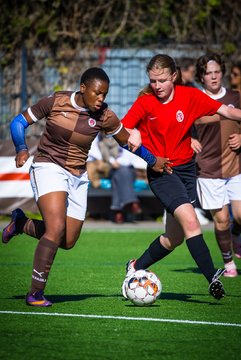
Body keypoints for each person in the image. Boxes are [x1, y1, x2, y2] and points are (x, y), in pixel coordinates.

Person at [2, 67, 171, 307]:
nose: (101, 99)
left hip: (78, 176)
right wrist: (20, 148)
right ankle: (35, 293)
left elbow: (125, 143)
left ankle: (21, 223)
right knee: (56, 228)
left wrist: (153, 160)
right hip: (48, 166)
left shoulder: (105, 116)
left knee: (68, 240)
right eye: (97, 93)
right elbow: (18, 122)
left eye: (105, 94)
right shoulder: (56, 101)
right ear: (83, 89)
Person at [121, 54, 241, 300]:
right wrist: (139, 144)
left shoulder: (191, 96)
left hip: (187, 171)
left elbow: (227, 112)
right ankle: (212, 278)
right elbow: (122, 133)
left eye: (162, 80)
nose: (157, 86)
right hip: (162, 172)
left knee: (174, 237)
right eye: (153, 81)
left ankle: (135, 266)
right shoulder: (145, 102)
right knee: (192, 222)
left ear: (174, 77)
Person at [191, 52, 241, 277]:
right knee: (221, 220)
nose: (213, 77)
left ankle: (237, 238)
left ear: (223, 73)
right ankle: (228, 262)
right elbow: (180, 126)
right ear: (201, 77)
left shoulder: (236, 96)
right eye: (208, 73)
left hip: (235, 167)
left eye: (217, 72)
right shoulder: (194, 101)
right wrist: (190, 138)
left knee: (239, 216)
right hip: (208, 170)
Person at [87, 134, 142, 223]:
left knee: (120, 173)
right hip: (107, 169)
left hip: (126, 168)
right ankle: (131, 202)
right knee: (121, 172)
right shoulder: (97, 138)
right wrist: (112, 162)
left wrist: (118, 162)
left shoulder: (123, 135)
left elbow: (129, 156)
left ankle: (117, 210)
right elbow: (95, 155)